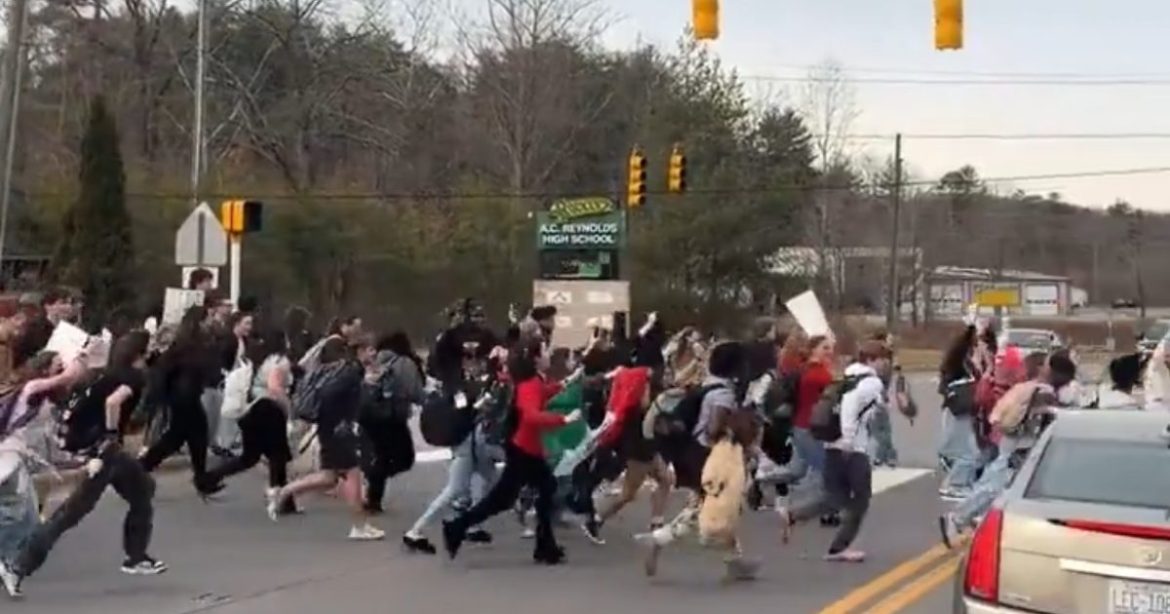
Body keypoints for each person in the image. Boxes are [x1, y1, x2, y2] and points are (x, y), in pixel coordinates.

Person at [1, 334, 164, 599]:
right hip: (101, 447)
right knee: (70, 514)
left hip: (95, 446)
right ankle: (18, 566)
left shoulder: (107, 374)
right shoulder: (134, 376)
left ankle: (137, 557)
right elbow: (113, 402)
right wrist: (111, 435)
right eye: (152, 349)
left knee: (143, 488)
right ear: (142, 354)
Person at [441, 341, 582, 565]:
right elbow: (531, 416)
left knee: (541, 490)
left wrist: (565, 383)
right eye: (545, 351)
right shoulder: (530, 384)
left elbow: (542, 394)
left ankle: (545, 546)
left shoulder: (533, 381)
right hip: (523, 451)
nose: (549, 354)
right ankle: (457, 527)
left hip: (526, 449)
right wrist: (564, 419)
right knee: (505, 498)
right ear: (536, 358)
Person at [777, 340, 892, 563]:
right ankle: (839, 548)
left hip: (832, 445)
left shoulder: (847, 377)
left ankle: (793, 515)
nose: (885, 365)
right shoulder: (871, 382)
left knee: (834, 497)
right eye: (882, 360)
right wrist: (849, 438)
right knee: (860, 499)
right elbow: (850, 405)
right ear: (870, 360)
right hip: (852, 449)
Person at [268, 335, 383, 540]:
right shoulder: (350, 371)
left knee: (329, 478)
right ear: (360, 351)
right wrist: (343, 419)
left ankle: (284, 491)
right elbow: (333, 395)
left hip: (330, 427)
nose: (374, 354)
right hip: (339, 430)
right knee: (353, 474)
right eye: (370, 350)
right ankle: (359, 526)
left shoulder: (341, 370)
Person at [939, 352, 1058, 547]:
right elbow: (1040, 422)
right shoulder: (1041, 391)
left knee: (992, 482)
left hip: (1009, 438)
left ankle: (970, 520)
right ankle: (959, 518)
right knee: (995, 486)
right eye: (1046, 365)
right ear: (1040, 368)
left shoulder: (1020, 388)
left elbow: (997, 414)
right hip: (1023, 444)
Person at [203, 331, 296, 513]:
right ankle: (279, 498)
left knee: (250, 457)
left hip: (251, 410)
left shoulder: (259, 360)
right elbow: (274, 386)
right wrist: (288, 409)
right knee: (278, 456)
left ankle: (211, 477)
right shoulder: (280, 361)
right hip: (270, 409)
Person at [139, 306, 224, 497]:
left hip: (185, 396)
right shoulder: (189, 345)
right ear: (199, 322)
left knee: (185, 437)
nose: (211, 321)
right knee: (185, 436)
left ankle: (201, 478)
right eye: (208, 318)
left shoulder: (191, 343)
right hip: (183, 397)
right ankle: (139, 469)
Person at [361, 332, 423, 514]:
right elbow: (415, 392)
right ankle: (374, 479)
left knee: (382, 455)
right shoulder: (404, 363)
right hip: (393, 417)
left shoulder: (374, 361)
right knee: (405, 459)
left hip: (370, 416)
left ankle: (374, 499)